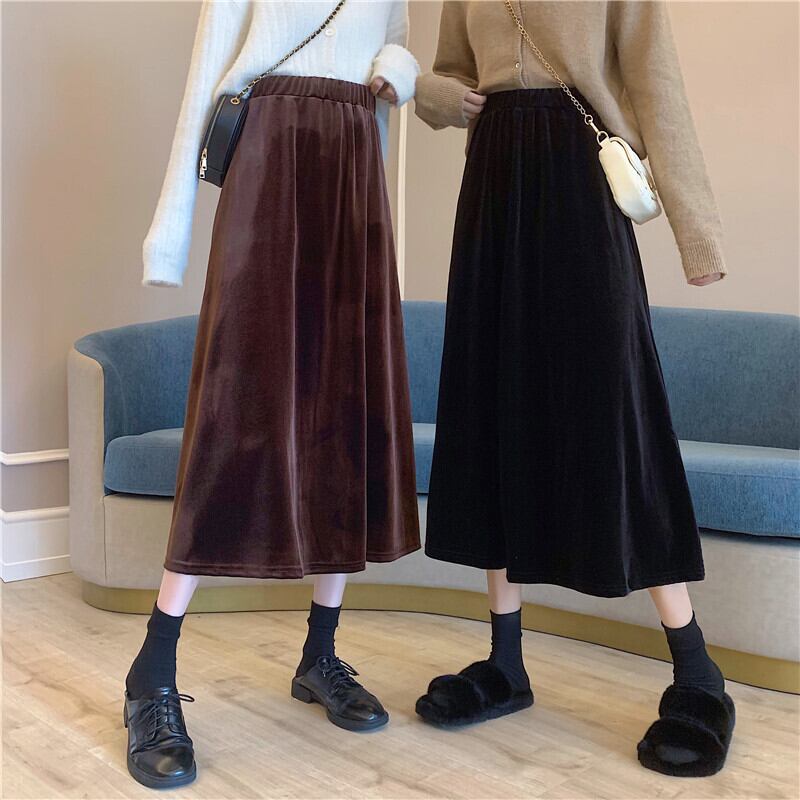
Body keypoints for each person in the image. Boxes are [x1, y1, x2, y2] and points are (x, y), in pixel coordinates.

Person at [413, 0, 735, 778]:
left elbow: (657, 84)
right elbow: (450, 72)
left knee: (615, 417)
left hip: (579, 178)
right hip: (493, 183)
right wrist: (440, 96)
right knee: (493, 409)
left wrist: (697, 233)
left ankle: (697, 671)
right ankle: (505, 660)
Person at [127, 0, 421, 788]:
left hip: (353, 158)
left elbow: (396, 45)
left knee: (346, 408)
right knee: (234, 410)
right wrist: (170, 233)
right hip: (271, 146)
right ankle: (152, 672)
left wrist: (393, 75)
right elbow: (207, 74)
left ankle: (320, 652)